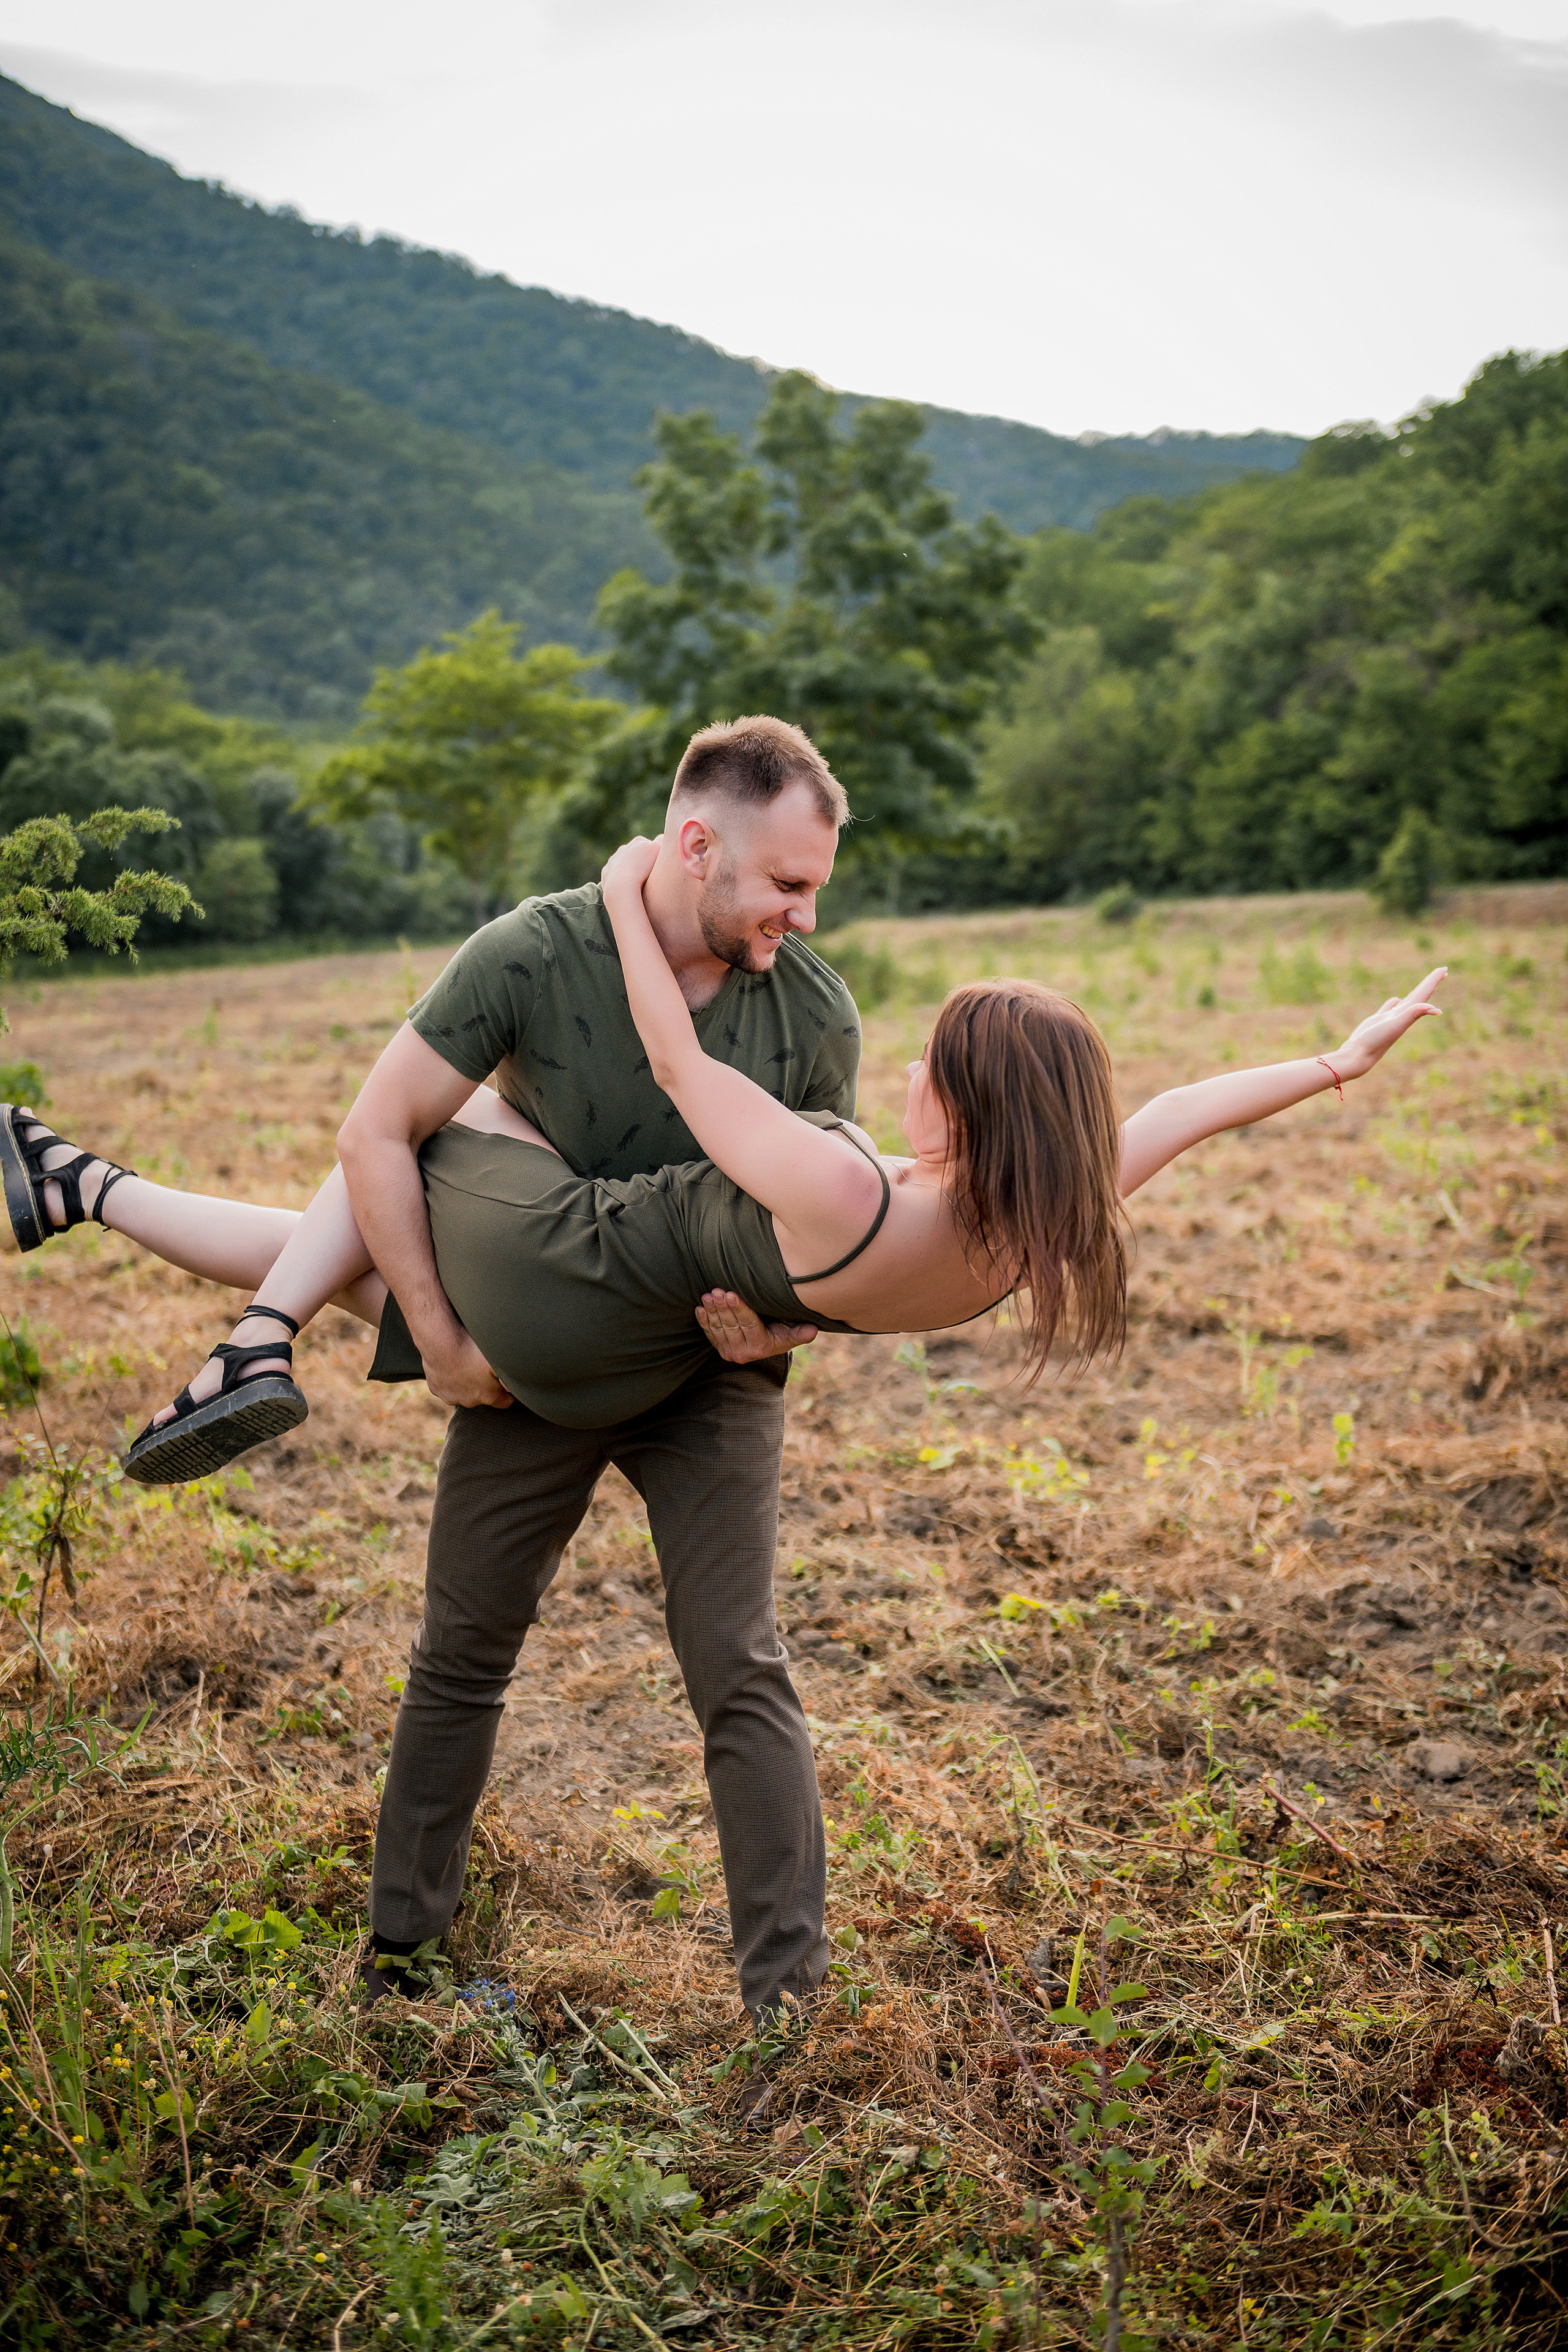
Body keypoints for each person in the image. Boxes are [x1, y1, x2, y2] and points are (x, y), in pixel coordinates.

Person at [2, 756, 1449, 2018]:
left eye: (934, 1067)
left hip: (580, 1308)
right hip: (645, 1319)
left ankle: (128, 1220)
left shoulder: (836, 1174)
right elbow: (1171, 1116)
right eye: (790, 884)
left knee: (407, 1183)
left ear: (966, 1102)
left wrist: (628, 902)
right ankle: (784, 1999)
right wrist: (1333, 1059)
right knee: (703, 1661)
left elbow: (681, 1068)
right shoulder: (1041, 1214)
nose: (903, 1070)